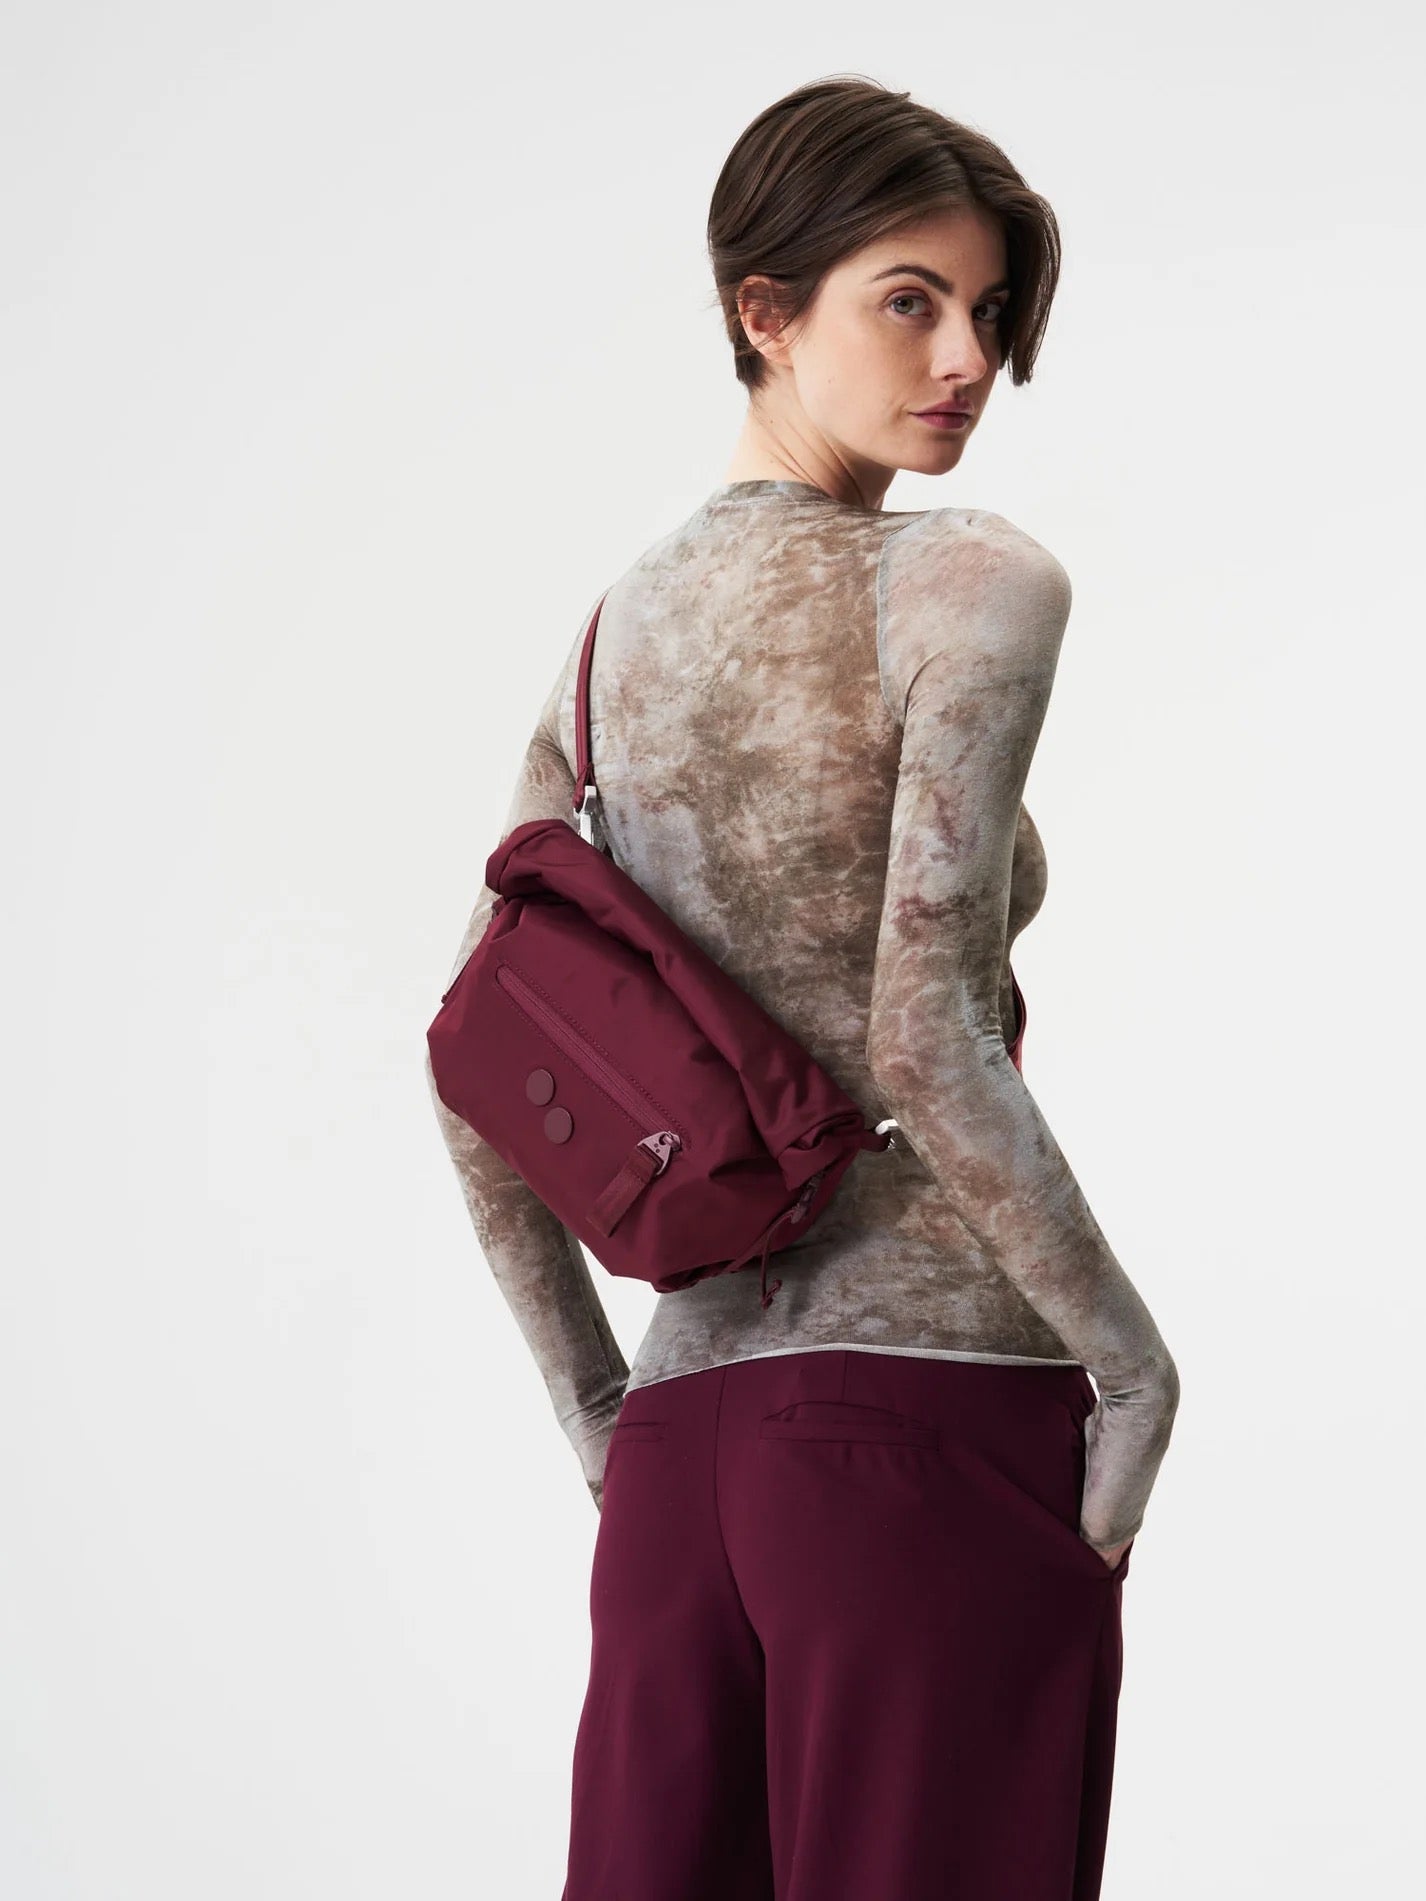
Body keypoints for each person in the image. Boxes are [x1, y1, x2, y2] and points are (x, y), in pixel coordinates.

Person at [426, 73, 1181, 1901]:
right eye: (906, 300)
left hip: (683, 1457)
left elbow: (475, 1055)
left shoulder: (608, 641)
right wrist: (1133, 1366)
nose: (966, 357)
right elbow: (925, 1027)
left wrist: (598, 1410)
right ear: (763, 312)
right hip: (926, 1426)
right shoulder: (971, 581)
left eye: (988, 309)